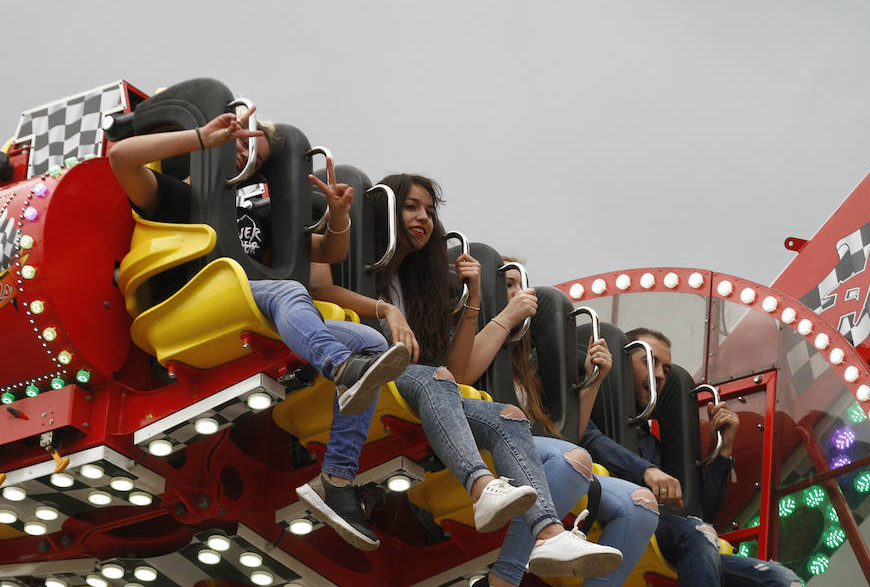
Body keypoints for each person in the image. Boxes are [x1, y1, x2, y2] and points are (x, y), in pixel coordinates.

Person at [108, 103, 410, 551]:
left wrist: (339, 214)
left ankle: (338, 479)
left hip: (246, 305)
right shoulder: (176, 193)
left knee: (368, 341)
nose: (241, 149)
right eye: (235, 139)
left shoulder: (257, 210)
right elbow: (120, 159)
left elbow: (327, 252)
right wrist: (200, 140)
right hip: (187, 306)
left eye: (252, 146)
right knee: (290, 294)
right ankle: (338, 367)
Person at [308, 173, 623, 577]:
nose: (423, 217)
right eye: (411, 207)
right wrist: (385, 309)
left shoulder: (423, 283)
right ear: (385, 207)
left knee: (509, 417)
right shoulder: (361, 257)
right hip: (369, 365)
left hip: (420, 381)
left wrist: (473, 299)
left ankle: (548, 534)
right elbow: (320, 290)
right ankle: (481, 486)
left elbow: (457, 373)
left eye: (429, 210)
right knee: (435, 378)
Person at [463, 261, 658, 587]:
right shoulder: (471, 329)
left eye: (522, 286)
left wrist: (594, 381)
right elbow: (461, 375)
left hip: (539, 453)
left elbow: (567, 437)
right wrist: (506, 317)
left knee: (642, 505)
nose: (518, 293)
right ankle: (503, 578)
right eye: (509, 284)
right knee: (573, 460)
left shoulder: (530, 364)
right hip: (488, 441)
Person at [580, 328, 802, 587]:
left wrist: (724, 450)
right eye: (650, 362)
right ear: (621, 361)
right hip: (610, 518)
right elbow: (586, 439)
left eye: (666, 369)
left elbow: (698, 509)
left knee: (780, 578)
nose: (660, 375)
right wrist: (646, 471)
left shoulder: (652, 445)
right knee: (697, 535)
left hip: (675, 538)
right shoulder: (588, 407)